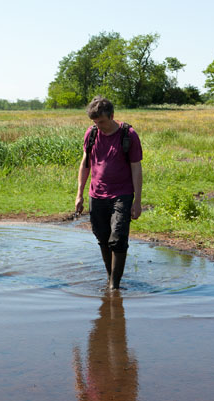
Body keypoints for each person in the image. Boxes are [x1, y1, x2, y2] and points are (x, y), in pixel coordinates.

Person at [75, 96, 143, 290]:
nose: (99, 125)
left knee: (118, 237)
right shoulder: (92, 133)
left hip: (122, 194)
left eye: (102, 121)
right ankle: (110, 276)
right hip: (96, 195)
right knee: (103, 238)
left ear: (112, 116)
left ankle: (114, 286)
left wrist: (137, 201)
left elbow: (136, 168)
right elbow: (85, 163)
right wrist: (79, 194)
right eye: (95, 122)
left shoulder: (128, 135)